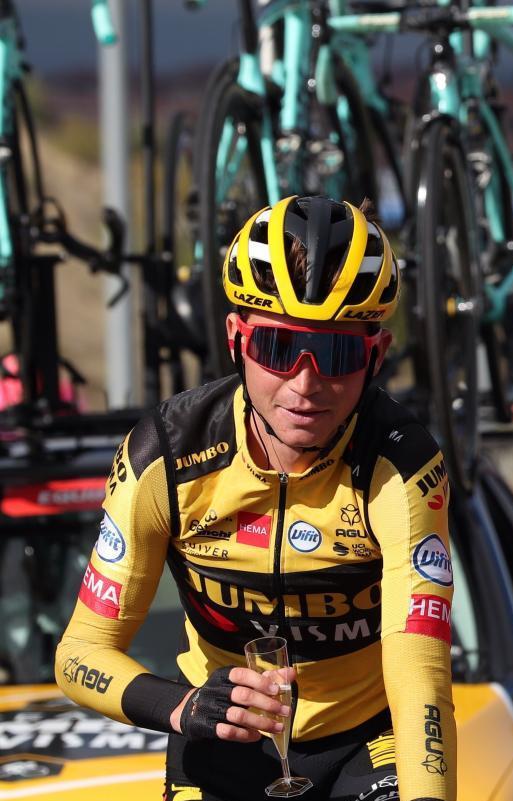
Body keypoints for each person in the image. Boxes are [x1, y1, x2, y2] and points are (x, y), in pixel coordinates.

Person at [55, 196, 456, 801]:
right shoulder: (165, 454)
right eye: (277, 347)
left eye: (337, 353)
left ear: (376, 355)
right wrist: (182, 705)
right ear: (236, 339)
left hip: (365, 742)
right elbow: (81, 652)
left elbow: (419, 671)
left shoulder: (400, 464)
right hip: (221, 739)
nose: (305, 383)